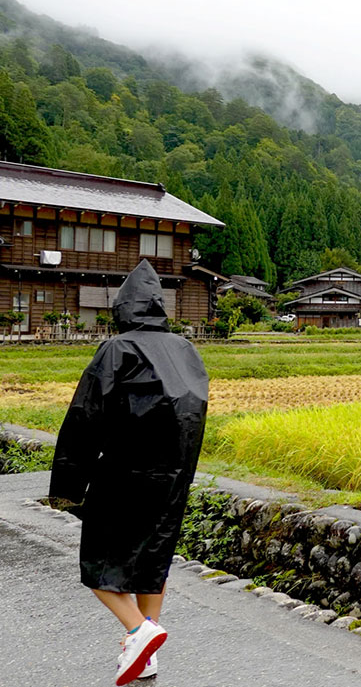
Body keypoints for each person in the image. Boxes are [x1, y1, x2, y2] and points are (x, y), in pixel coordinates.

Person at [48, 260, 210, 685]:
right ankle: (146, 653)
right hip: (173, 475)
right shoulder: (185, 349)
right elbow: (195, 414)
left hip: (124, 474)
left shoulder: (117, 349)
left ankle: (139, 631)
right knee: (153, 561)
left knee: (99, 565)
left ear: (123, 310)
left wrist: (68, 486)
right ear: (157, 307)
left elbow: (85, 418)